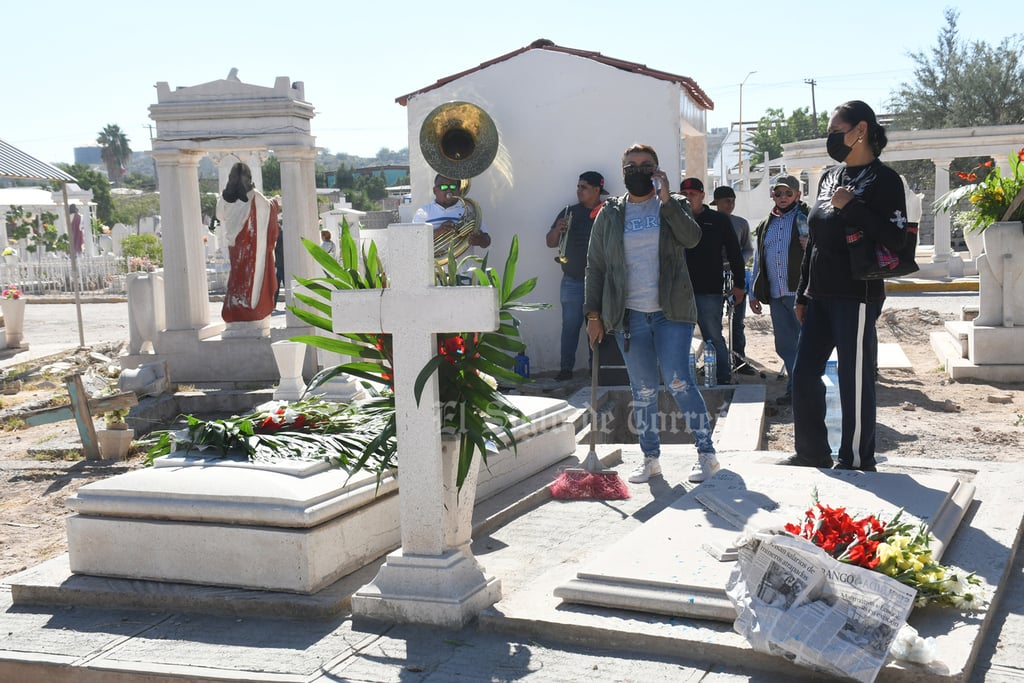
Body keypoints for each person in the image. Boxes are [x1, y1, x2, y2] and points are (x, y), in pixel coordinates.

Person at [784, 100, 908, 472]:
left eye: (837, 130)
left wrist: (853, 207)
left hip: (857, 294)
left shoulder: (884, 180)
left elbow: (896, 239)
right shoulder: (830, 177)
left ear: (861, 130)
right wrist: (803, 291)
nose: (831, 138)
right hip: (819, 294)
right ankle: (811, 452)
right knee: (804, 374)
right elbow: (815, 239)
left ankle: (854, 458)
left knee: (853, 379)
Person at [585, 144, 719, 484]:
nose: (638, 170)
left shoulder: (672, 205)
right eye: (632, 165)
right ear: (623, 169)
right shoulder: (610, 213)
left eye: (646, 165)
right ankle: (650, 459)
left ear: (657, 170)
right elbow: (595, 266)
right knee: (642, 390)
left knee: (678, 380)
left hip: (670, 311)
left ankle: (707, 454)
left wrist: (665, 200)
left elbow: (692, 239)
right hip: (629, 316)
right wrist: (593, 315)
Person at [749, 175, 810, 404]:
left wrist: (811, 243)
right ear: (772, 195)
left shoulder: (807, 218)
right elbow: (758, 259)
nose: (782, 197)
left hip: (801, 295)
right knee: (785, 346)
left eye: (788, 193)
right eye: (778, 193)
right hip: (776, 295)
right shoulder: (767, 224)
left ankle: (807, 392)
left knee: (807, 345)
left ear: (797, 195)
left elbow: (825, 250)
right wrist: (753, 292)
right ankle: (795, 391)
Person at [679, 178, 745, 386]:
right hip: (679, 291)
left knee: (713, 336)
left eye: (693, 194)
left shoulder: (718, 219)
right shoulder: (675, 219)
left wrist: (740, 285)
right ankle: (681, 379)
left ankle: (723, 377)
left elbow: (735, 253)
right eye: (685, 194)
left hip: (709, 289)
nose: (689, 198)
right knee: (678, 339)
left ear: (702, 196)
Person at [546, 170, 608, 381]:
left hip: (600, 282)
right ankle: (566, 369)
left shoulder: (608, 211)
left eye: (584, 187)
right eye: (578, 187)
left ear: (597, 190)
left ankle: (596, 371)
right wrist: (557, 228)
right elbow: (550, 242)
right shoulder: (568, 211)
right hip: (572, 280)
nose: (578, 191)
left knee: (598, 327)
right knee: (570, 327)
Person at [216, 162, 281, 323]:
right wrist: (276, 202)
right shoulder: (255, 196)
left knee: (237, 276)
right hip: (252, 245)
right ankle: (249, 309)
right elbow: (269, 207)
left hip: (234, 244)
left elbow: (220, 216)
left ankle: (235, 307)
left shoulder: (223, 199)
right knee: (251, 277)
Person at [710, 186, 756, 376]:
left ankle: (739, 359)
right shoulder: (708, 221)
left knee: (737, 321)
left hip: (736, 276)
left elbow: (748, 249)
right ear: (717, 203)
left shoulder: (741, 223)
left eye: (732, 200)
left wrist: (737, 263)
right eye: (726, 200)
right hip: (712, 277)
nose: (730, 204)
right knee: (713, 322)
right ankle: (717, 362)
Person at [412, 174, 492, 261]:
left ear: (458, 190)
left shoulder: (469, 210)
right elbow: (415, 241)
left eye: (453, 187)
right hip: (434, 272)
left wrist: (479, 240)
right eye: (443, 187)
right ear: (435, 190)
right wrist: (439, 232)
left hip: (463, 272)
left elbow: (487, 241)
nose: (449, 191)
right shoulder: (423, 212)